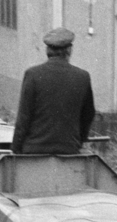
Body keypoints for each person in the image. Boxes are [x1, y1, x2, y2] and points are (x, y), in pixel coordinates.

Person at [11, 27, 96, 155]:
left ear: (47, 50)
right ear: (69, 50)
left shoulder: (33, 75)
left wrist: (16, 149)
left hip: (34, 152)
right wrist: (79, 141)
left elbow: (23, 117)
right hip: (69, 151)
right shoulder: (82, 77)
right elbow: (88, 114)